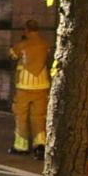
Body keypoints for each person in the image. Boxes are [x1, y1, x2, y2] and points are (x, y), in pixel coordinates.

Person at [8, 19, 51, 161]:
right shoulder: (46, 44)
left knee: (21, 115)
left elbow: (12, 55)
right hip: (42, 85)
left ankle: (21, 146)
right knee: (39, 116)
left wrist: (21, 41)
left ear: (26, 30)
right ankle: (40, 145)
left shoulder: (22, 45)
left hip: (24, 86)